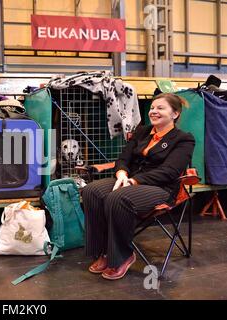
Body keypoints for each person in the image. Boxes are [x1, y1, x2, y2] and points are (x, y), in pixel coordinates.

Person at [81, 93, 195, 280]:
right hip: (129, 180)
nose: (154, 111)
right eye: (152, 108)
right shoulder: (142, 131)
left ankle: (123, 255)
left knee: (118, 198)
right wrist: (122, 173)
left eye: (160, 108)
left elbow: (169, 171)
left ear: (175, 114)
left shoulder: (183, 139)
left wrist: (134, 181)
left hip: (161, 188)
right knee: (91, 191)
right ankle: (103, 251)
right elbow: (123, 158)